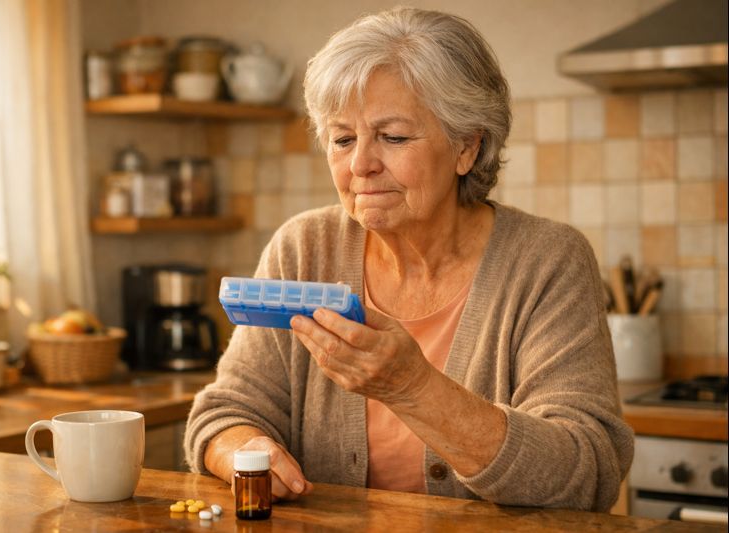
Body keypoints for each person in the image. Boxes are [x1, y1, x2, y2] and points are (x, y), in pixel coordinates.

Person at [185, 6, 633, 512]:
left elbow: (586, 473)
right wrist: (246, 448)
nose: (360, 165)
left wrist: (413, 388)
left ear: (467, 146)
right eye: (343, 138)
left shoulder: (547, 261)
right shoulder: (303, 249)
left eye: (393, 137)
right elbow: (224, 412)